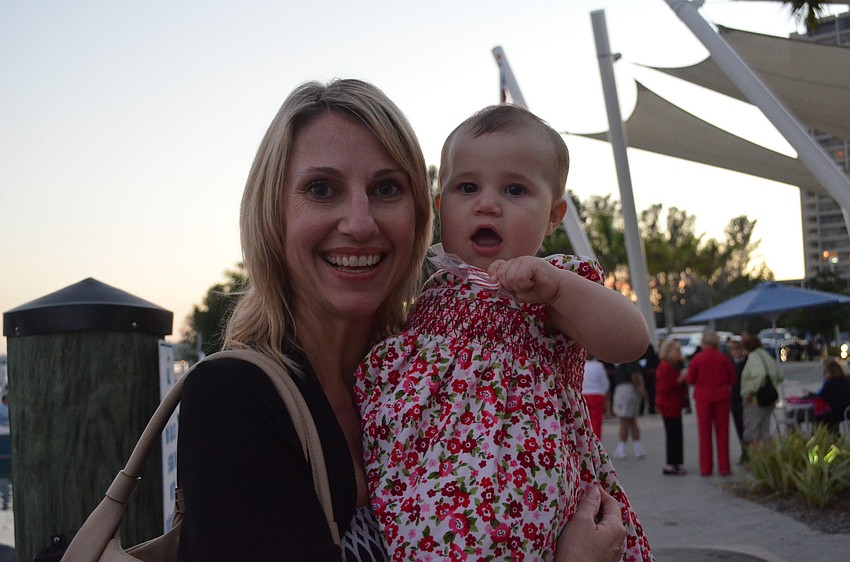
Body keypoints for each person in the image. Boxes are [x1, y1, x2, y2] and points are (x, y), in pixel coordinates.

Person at [175, 80, 628, 561]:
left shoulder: (417, 369)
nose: (360, 222)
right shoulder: (235, 397)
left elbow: (624, 337)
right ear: (273, 212)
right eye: (322, 189)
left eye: (386, 189)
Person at [356, 104, 652, 561]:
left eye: (514, 189)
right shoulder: (433, 293)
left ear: (553, 216)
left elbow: (630, 339)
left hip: (522, 500)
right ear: (441, 206)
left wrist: (557, 289)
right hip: (425, 497)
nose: (487, 203)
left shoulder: (547, 286)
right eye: (467, 187)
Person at [686, 330, 735, 477]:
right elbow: (732, 379)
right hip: (721, 397)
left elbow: (690, 379)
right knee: (722, 432)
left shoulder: (698, 359)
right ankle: (724, 467)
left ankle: (706, 468)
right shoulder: (723, 358)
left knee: (704, 433)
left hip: (703, 398)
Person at [740, 333, 783, 449]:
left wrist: (751, 391)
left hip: (756, 400)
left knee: (753, 431)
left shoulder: (753, 358)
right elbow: (780, 375)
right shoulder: (766, 356)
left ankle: (756, 460)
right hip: (770, 398)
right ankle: (770, 458)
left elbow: (760, 374)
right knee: (765, 430)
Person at [655, 339, 687, 476]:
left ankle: (676, 462)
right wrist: (680, 380)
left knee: (676, 433)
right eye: (676, 351)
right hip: (669, 404)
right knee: (673, 433)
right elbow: (665, 387)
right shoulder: (665, 367)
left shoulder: (673, 366)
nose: (679, 353)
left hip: (674, 404)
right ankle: (672, 463)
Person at [612, 357, 648, 460]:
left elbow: (634, 375)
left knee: (623, 420)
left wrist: (638, 387)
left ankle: (622, 447)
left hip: (625, 389)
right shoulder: (634, 360)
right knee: (632, 419)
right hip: (632, 389)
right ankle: (637, 447)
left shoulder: (628, 359)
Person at [806, 358, 850, 431]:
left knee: (817, 416)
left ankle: (818, 439)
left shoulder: (830, 384)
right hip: (847, 411)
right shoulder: (846, 380)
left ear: (828, 371)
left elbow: (821, 397)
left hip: (835, 412)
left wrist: (809, 394)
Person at [726, 339, 748, 463]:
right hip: (734, 399)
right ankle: (744, 450)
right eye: (733, 349)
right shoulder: (730, 363)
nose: (736, 352)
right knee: (739, 426)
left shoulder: (747, 362)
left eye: (738, 349)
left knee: (747, 426)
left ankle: (748, 450)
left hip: (744, 397)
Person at [583, 354, 611, 439]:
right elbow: (605, 384)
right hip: (596, 395)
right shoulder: (599, 366)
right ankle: (596, 443)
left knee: (583, 421)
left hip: (583, 394)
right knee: (596, 422)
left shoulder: (582, 364)